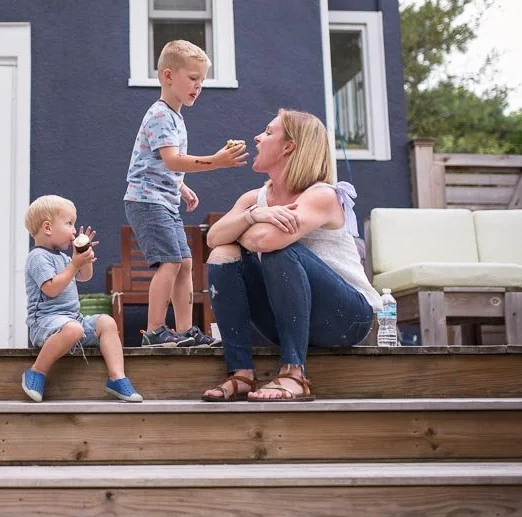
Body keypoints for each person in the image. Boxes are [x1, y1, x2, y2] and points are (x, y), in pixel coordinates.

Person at [201, 108, 382, 402]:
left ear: (289, 146)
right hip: (289, 320)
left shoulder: (322, 194)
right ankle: (241, 373)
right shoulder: (253, 199)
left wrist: (245, 228)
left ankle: (294, 374)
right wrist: (255, 215)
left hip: (347, 319)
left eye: (269, 132)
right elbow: (213, 238)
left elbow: (267, 240)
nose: (258, 138)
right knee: (224, 253)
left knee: (278, 250)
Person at [123, 39, 248, 347]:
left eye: (202, 81)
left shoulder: (176, 117)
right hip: (147, 201)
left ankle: (183, 331)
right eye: (193, 78)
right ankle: (154, 330)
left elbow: (160, 164)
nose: (199, 86)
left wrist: (181, 187)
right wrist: (216, 162)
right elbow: (172, 160)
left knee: (186, 262)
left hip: (163, 200)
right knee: (170, 261)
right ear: (168, 76)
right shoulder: (161, 115)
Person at [21, 195, 143, 403]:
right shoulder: (37, 257)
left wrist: (84, 258)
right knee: (74, 329)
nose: (74, 230)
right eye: (69, 223)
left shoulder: (64, 257)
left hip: (72, 322)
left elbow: (85, 277)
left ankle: (117, 377)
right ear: (48, 227)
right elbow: (51, 289)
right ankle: (36, 372)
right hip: (44, 323)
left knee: (106, 322)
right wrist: (74, 264)